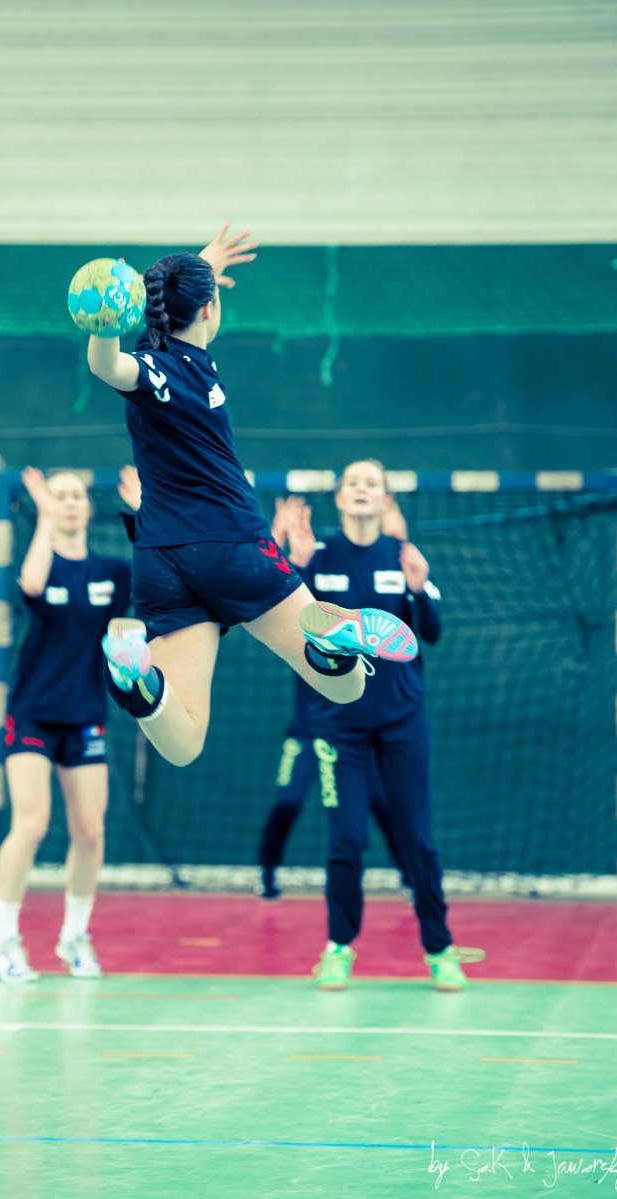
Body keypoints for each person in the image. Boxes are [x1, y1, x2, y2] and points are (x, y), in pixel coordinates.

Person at [86, 226, 418, 771]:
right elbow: (109, 365)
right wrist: (200, 269)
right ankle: (331, 646)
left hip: (160, 561)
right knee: (348, 689)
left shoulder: (153, 358)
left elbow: (112, 360)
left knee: (182, 742)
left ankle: (134, 677)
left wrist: (108, 318)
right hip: (232, 547)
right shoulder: (180, 370)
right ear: (210, 309)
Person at [268, 461, 484, 991]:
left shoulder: (403, 557)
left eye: (373, 484)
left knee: (417, 838)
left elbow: (430, 631)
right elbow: (283, 619)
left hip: (403, 722)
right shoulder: (315, 559)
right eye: (353, 483)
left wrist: (419, 585)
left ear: (385, 500)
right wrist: (290, 566)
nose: (362, 490)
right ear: (339, 498)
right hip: (339, 728)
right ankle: (338, 948)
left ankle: (440, 950)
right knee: (347, 841)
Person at [0, 466, 133, 983]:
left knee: (90, 830)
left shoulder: (112, 574)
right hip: (32, 715)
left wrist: (142, 513)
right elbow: (30, 584)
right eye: (60, 496)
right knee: (32, 823)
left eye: (76, 497)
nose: (69, 503)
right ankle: (2, 939)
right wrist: (43, 518)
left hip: (86, 716)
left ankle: (75, 936)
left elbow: (157, 580)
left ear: (89, 509)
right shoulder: (43, 566)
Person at [257, 496, 412, 901]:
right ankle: (268, 873)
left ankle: (411, 877)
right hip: (312, 724)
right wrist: (287, 543)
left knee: (382, 803)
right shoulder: (318, 560)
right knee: (289, 800)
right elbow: (269, 586)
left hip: (360, 727)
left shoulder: (392, 566)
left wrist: (400, 540)